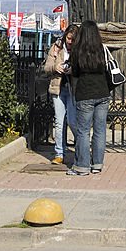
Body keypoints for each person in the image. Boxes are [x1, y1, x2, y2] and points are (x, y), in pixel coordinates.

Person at [66, 19, 111, 176]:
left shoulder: (78, 51)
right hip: (103, 93)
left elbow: (75, 72)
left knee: (84, 131)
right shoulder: (102, 49)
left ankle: (82, 166)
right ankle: (97, 164)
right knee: (100, 130)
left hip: (85, 93)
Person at [44, 24, 78, 165]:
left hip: (72, 89)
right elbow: (46, 67)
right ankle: (59, 153)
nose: (70, 42)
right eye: (69, 38)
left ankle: (81, 146)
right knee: (59, 122)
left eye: (73, 39)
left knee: (72, 120)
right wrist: (55, 67)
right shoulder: (56, 47)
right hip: (58, 88)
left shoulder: (79, 50)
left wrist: (73, 70)